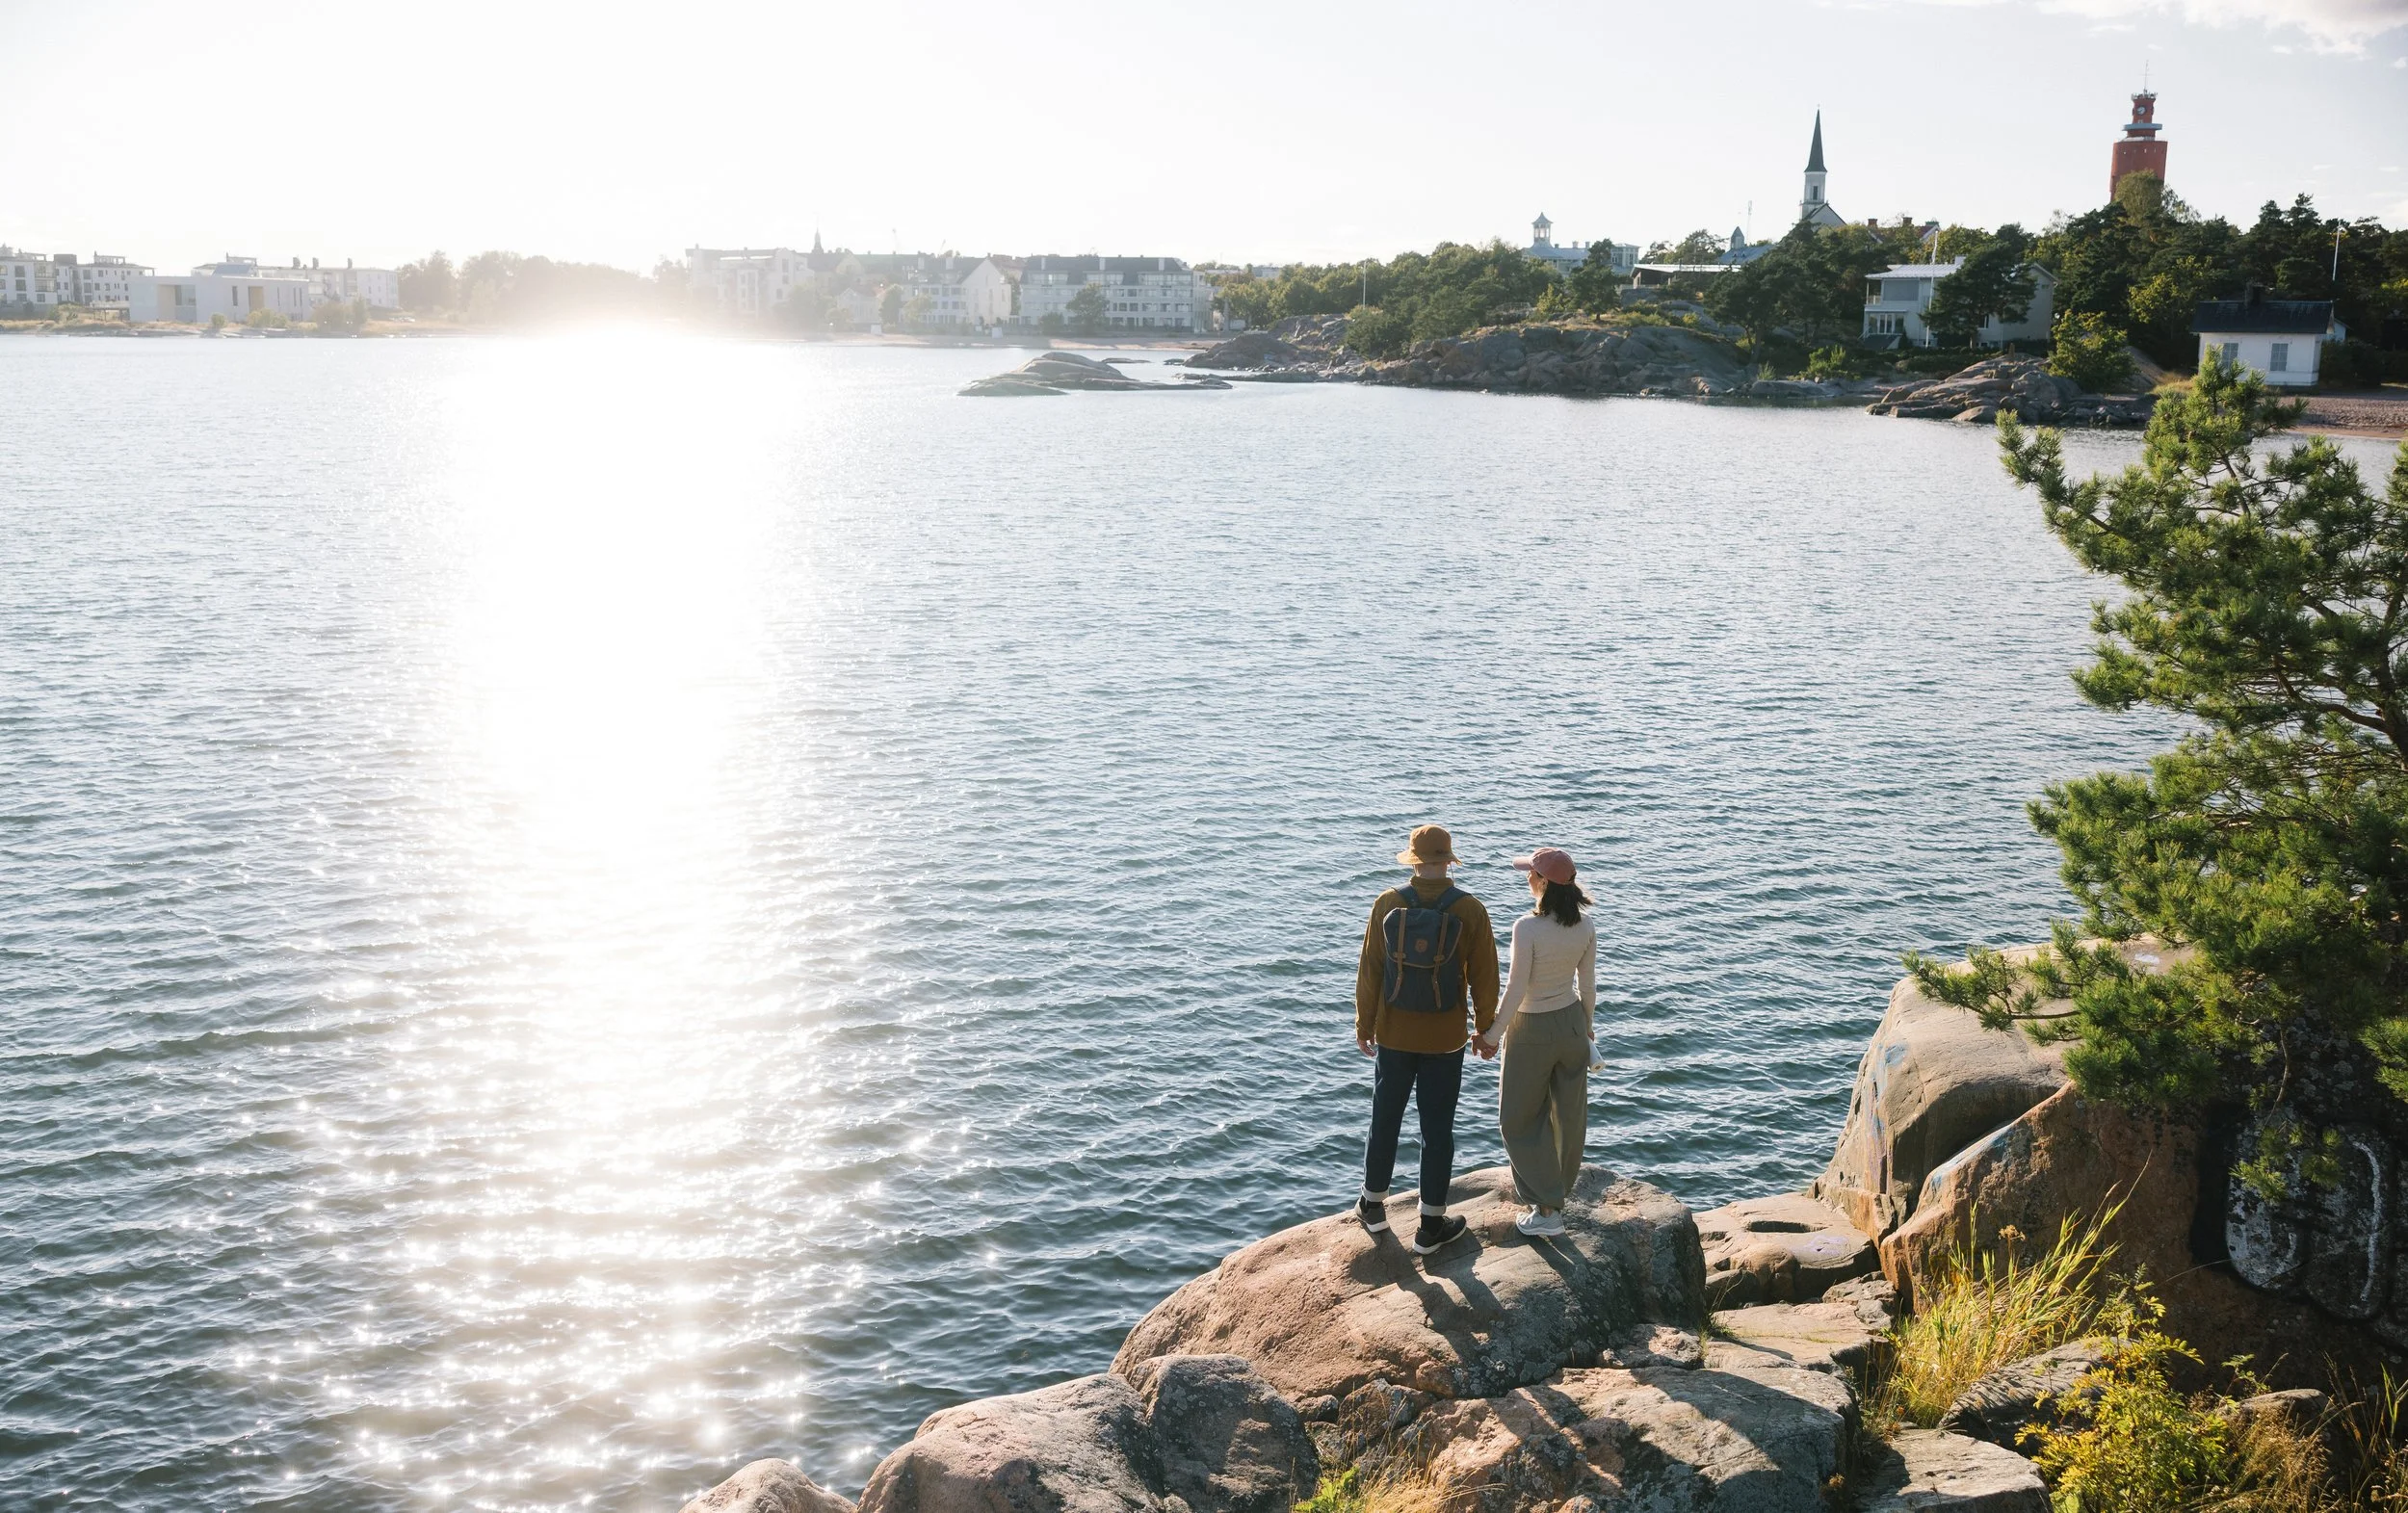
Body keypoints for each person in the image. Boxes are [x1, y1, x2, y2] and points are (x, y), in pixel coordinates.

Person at [1353, 823, 1501, 1255]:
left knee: (1386, 1117)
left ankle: (1373, 1206)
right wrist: (1485, 1030)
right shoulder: (1470, 910)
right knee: (1437, 1129)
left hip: (1395, 1035)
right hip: (1446, 1039)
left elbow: (1370, 972)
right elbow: (1485, 978)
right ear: (1449, 861)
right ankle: (1431, 1224)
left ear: (1414, 861)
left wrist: (1365, 1025)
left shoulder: (1388, 902)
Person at [1472, 847, 1596, 1238]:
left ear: (1543, 882)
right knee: (1568, 1118)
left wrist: (1491, 1035)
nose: (1527, 878)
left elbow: (1516, 988)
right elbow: (1587, 986)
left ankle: (1547, 1210)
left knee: (1517, 1120)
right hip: (1573, 1023)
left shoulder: (1527, 927)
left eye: (1530, 873)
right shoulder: (1586, 925)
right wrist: (1587, 1028)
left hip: (1531, 1028)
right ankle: (1555, 1196)